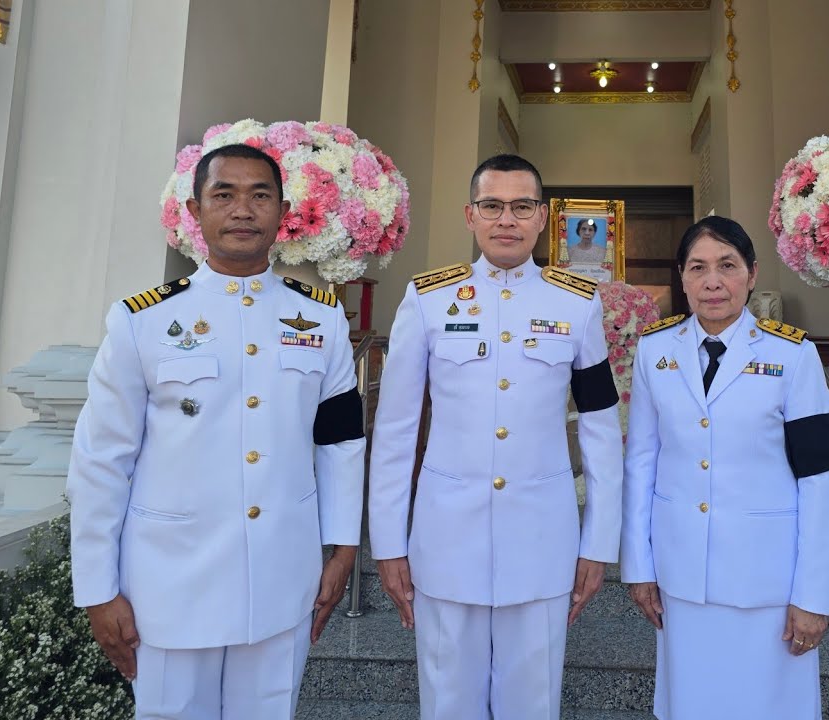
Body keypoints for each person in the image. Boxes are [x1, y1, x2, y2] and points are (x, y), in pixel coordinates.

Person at [67, 144, 366, 719]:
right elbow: (101, 461)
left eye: (260, 195)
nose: (242, 210)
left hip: (282, 578)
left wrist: (344, 545)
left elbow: (341, 441)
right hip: (170, 586)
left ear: (284, 211)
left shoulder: (322, 319)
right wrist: (98, 589)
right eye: (223, 195)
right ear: (195, 209)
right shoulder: (142, 320)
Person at [367, 153, 623, 720]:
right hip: (445, 538)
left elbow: (602, 427)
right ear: (470, 215)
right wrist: (388, 542)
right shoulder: (428, 298)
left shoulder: (577, 303)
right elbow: (395, 430)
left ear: (542, 218)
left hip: (543, 539)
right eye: (492, 206)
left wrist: (599, 541)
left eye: (521, 206)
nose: (506, 220)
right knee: (446, 701)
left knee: (533, 702)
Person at [621, 216, 829, 720]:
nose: (712, 281)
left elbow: (818, 478)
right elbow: (642, 462)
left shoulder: (792, 355)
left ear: (752, 273)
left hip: (765, 577)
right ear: (682, 277)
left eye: (727, 266)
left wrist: (812, 594)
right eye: (698, 267)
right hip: (682, 573)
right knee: (691, 703)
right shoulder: (656, 350)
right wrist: (639, 565)